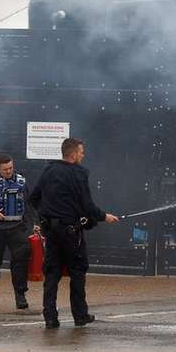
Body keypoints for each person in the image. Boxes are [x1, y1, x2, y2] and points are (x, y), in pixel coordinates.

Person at [29, 138, 119, 329]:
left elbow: (33, 198)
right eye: (81, 152)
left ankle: (50, 318)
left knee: (52, 273)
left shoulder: (49, 170)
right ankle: (80, 315)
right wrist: (104, 217)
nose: (83, 155)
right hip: (71, 233)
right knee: (78, 271)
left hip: (51, 232)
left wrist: (45, 215)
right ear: (72, 155)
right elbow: (87, 205)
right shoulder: (78, 174)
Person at [0, 154, 39, 309]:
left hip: (17, 228)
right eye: (5, 169)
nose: (9, 171)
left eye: (10, 168)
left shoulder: (22, 182)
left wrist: (36, 223)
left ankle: (20, 295)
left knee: (20, 262)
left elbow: (29, 204)